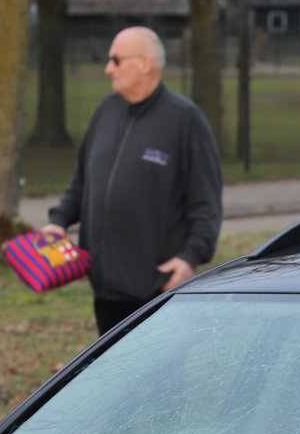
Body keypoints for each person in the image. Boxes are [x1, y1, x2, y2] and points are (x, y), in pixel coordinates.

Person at [42, 26, 223, 335]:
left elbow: (206, 204)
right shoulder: (106, 110)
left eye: (115, 59)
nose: (107, 68)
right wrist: (58, 221)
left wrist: (190, 256)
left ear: (144, 63)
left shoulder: (184, 119)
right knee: (116, 378)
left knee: (159, 380)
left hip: (156, 289)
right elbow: (83, 180)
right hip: (104, 287)